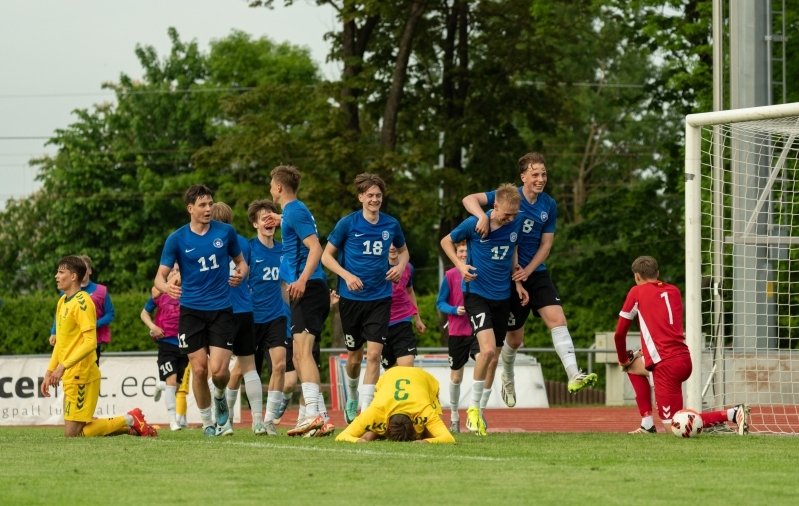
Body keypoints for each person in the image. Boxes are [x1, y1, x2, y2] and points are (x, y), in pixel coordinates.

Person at [462, 153, 597, 407]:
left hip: (535, 272)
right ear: (522, 177)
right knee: (514, 340)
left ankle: (573, 374)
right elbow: (469, 199)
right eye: (535, 174)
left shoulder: (549, 205)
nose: (540, 178)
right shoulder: (508, 197)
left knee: (558, 318)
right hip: (507, 275)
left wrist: (529, 270)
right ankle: (508, 375)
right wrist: (481, 216)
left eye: (543, 174)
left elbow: (546, 245)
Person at [615, 256, 749, 435]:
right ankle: (647, 424)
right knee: (633, 367)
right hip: (683, 359)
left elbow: (619, 334)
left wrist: (623, 358)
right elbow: (662, 327)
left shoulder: (636, 292)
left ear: (637, 276)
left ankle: (732, 414)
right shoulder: (673, 291)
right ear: (658, 273)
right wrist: (640, 353)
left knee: (675, 427)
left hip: (665, 365)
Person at [154, 184, 249, 438]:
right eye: (203, 205)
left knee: (219, 371)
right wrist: (167, 289)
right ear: (190, 209)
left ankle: (219, 397)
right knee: (198, 369)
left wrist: (241, 273)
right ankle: (208, 423)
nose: (208, 209)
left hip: (221, 309)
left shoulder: (226, 232)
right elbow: (159, 278)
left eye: (210, 204)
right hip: (192, 312)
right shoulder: (177, 239)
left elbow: (241, 262)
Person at [322, 173, 409, 425]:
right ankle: (351, 396)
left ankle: (367, 414)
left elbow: (404, 253)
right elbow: (327, 257)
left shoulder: (391, 225)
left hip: (380, 298)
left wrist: (400, 267)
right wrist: (346, 275)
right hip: (351, 299)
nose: (374, 199)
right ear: (360, 197)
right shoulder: (347, 224)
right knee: (355, 357)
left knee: (374, 356)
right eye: (369, 195)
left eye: (378, 195)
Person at [441, 183, 528, 436]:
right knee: (487, 349)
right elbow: (446, 241)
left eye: (514, 215)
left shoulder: (517, 222)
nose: (510, 219)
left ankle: (479, 410)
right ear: (495, 206)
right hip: (477, 294)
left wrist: (518, 281)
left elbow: (514, 249)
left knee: (492, 358)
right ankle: (472, 412)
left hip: (503, 296)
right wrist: (460, 266)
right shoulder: (476, 224)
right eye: (506, 215)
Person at [43, 255, 156, 438]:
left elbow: (90, 342)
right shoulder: (62, 301)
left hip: (82, 374)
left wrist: (62, 366)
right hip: (71, 374)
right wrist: (49, 371)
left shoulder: (83, 302)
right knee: (78, 433)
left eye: (61, 272)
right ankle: (130, 426)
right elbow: (62, 342)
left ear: (73, 276)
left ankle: (129, 419)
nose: (56, 276)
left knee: (72, 435)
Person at [265, 165, 332, 436]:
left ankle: (315, 415)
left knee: (303, 354)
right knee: (299, 353)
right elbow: (294, 225)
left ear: (279, 187)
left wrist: (302, 279)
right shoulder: (292, 212)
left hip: (309, 288)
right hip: (305, 289)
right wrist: (279, 219)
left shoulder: (295, 211)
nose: (270, 188)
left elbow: (316, 247)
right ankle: (316, 415)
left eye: (272, 184)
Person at [209, 202, 264, 436]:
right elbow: (248, 272)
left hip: (221, 311)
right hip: (245, 310)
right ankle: (258, 421)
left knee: (218, 369)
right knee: (249, 368)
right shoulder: (243, 242)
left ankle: (223, 421)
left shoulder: (210, 242)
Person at [247, 198, 296, 436]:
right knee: (245, 371)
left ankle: (268, 420)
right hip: (251, 318)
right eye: (263, 218)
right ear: (255, 224)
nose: (268, 221)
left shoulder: (283, 250)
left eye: (271, 217)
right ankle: (225, 411)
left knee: (278, 366)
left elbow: (290, 281)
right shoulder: (247, 249)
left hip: (277, 316)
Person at [335, 366, 454, 443]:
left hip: (425, 379)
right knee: (368, 436)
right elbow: (340, 437)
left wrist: (425, 441)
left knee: (429, 435)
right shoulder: (376, 411)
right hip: (388, 376)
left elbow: (448, 438)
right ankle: (379, 434)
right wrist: (360, 441)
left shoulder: (423, 408)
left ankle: (419, 434)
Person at [436, 241, 480, 433]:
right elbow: (440, 303)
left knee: (484, 361)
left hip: (478, 330)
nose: (464, 254)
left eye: (466, 251)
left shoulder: (480, 271)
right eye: (461, 251)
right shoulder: (450, 275)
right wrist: (455, 310)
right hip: (457, 333)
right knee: (456, 377)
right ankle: (454, 417)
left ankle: (476, 411)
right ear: (456, 253)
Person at [140, 263, 188, 431]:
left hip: (184, 343)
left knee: (174, 385)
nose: (175, 273)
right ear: (166, 275)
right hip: (166, 342)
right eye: (172, 270)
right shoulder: (159, 293)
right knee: (172, 381)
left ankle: (161, 385)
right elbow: (144, 313)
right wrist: (152, 327)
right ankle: (173, 421)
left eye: (178, 270)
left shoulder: (188, 291)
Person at [49, 255, 115, 367]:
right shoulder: (65, 294)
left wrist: (94, 324)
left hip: (92, 338)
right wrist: (54, 331)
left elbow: (110, 313)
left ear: (89, 270)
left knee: (87, 369)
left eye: (84, 268)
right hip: (71, 342)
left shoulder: (100, 291)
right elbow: (60, 314)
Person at [381, 244, 426, 370]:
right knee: (391, 372)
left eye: (395, 243)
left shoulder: (408, 268)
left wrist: (417, 319)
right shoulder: (376, 267)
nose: (392, 247)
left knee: (406, 367)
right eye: (388, 243)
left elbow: (410, 292)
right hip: (381, 324)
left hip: (403, 321)